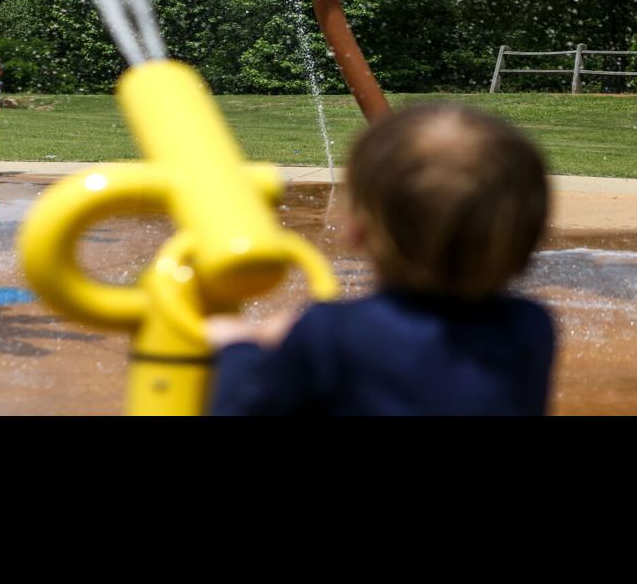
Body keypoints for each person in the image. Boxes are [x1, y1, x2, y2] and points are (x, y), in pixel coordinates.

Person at [206, 104, 556, 415]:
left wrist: (238, 349)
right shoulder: (530, 327)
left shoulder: (330, 334)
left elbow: (243, 407)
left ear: (356, 230)